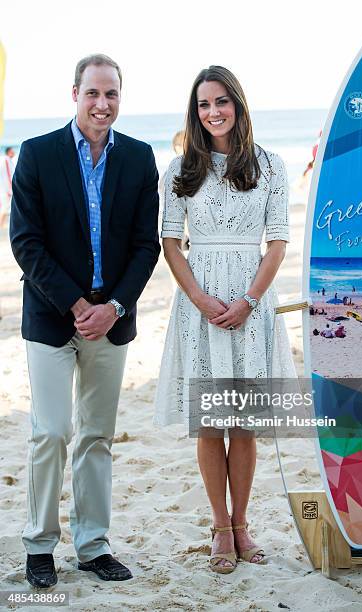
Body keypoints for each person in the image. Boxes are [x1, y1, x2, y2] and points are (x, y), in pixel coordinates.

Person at [9, 54, 160, 588]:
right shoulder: (37, 154)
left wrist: (113, 307)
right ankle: (39, 546)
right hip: (52, 318)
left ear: (121, 97)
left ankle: (93, 545)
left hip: (112, 319)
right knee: (50, 432)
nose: (102, 104)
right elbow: (25, 243)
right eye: (93, 93)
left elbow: (146, 247)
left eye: (111, 94)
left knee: (96, 436)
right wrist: (77, 306)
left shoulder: (140, 159)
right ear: (74, 93)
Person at [153, 65, 295, 574]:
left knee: (245, 423)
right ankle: (218, 527)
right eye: (203, 105)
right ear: (195, 113)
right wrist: (198, 297)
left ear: (238, 103)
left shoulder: (271, 166)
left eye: (221, 102)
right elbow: (170, 243)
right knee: (211, 422)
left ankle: (242, 524)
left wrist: (249, 300)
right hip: (200, 304)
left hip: (251, 302)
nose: (212, 112)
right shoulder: (178, 170)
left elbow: (277, 243)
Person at [0, 146, 16, 227]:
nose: (14, 152)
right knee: (5, 207)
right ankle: (1, 225)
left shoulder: (7, 160)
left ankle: (2, 225)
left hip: (5, 189)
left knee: (5, 207)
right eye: (13, 151)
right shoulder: (6, 159)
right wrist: (11, 189)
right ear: (9, 151)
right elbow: (9, 175)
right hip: (6, 190)